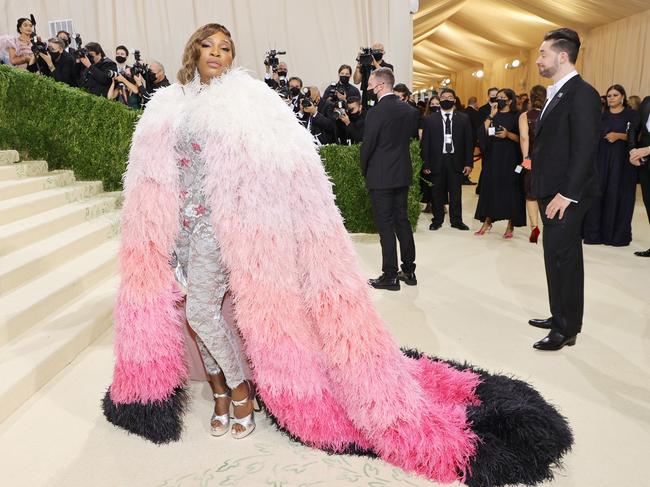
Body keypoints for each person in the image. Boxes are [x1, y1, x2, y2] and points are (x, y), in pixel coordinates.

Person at [102, 22, 573, 487]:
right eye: (208, 45)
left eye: (225, 47)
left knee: (204, 311)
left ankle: (240, 388)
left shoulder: (250, 101)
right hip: (179, 228)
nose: (216, 53)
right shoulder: (169, 104)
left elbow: (287, 160)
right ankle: (221, 393)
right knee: (198, 314)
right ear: (194, 50)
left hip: (224, 229)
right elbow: (153, 169)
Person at [528, 28, 601, 351]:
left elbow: (586, 148)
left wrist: (567, 194)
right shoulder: (557, 91)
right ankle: (559, 314)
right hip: (551, 189)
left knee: (564, 259)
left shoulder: (581, 93)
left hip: (566, 195)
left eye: (543, 53)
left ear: (562, 56)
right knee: (554, 255)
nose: (538, 59)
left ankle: (566, 328)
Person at [361, 68, 419, 290]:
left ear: (381, 85)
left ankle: (390, 276)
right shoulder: (409, 111)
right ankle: (409, 270)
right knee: (402, 221)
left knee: (385, 226)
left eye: (370, 83)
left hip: (381, 175)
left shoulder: (376, 112)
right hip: (401, 173)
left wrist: (365, 168)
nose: (368, 88)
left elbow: (369, 145)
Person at [583, 84, 638, 246]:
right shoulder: (602, 116)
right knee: (599, 194)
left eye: (615, 95)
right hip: (602, 160)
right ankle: (595, 234)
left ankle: (615, 236)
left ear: (623, 97)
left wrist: (619, 136)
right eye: (609, 96)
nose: (611, 98)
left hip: (622, 162)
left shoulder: (632, 115)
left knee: (619, 194)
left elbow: (638, 136)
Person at [474, 88, 525, 237]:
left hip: (510, 158)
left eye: (503, 97)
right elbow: (482, 131)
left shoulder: (517, 115)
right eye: (498, 97)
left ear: (510, 100)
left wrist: (507, 134)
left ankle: (510, 225)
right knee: (491, 188)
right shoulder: (493, 114)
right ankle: (487, 221)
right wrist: (491, 114)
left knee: (511, 190)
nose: (499, 99)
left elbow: (522, 138)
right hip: (493, 157)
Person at [421, 88, 473, 231]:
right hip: (437, 160)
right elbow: (425, 143)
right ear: (440, 99)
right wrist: (425, 162)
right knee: (437, 192)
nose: (446, 99)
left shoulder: (463, 118)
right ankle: (437, 220)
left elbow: (469, 142)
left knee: (456, 193)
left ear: (454, 100)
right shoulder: (431, 119)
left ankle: (456, 220)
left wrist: (469, 163)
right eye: (444, 97)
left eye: (450, 97)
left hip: (456, 160)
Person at [518, 84, 547, 243]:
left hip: (532, 159)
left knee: (531, 195)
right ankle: (549, 227)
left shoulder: (525, 116)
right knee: (548, 193)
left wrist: (526, 158)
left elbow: (524, 138)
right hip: (550, 160)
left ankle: (534, 228)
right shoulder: (551, 113)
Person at [628, 95, 650, 257]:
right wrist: (632, 152)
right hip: (645, 163)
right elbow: (634, 128)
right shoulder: (647, 102)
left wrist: (647, 150)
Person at [353, 42, 394, 109]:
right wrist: (358, 66)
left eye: (379, 50)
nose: (377, 52)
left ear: (383, 52)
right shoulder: (366, 65)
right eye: (374, 50)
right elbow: (356, 81)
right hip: (366, 98)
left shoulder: (388, 67)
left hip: (380, 98)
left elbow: (385, 74)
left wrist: (374, 62)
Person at [419, 96, 441, 212]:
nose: (435, 106)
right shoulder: (424, 118)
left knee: (440, 179)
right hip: (428, 152)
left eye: (437, 103)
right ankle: (428, 203)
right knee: (427, 180)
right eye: (432, 104)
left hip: (440, 153)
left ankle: (440, 203)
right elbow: (421, 136)